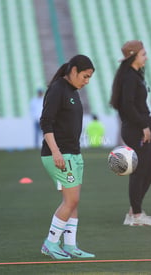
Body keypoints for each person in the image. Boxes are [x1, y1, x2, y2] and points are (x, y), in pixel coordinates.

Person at [40, 54, 96, 260]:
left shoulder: (72, 90)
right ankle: (50, 243)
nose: (87, 81)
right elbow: (46, 122)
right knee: (72, 200)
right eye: (85, 76)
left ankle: (70, 245)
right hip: (59, 154)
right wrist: (55, 151)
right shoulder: (57, 89)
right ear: (73, 71)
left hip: (73, 153)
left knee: (72, 202)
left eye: (89, 78)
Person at [110, 40, 151, 226]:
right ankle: (137, 215)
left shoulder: (134, 75)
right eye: (143, 54)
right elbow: (128, 106)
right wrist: (143, 126)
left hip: (138, 126)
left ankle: (134, 211)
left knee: (149, 171)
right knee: (140, 172)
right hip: (135, 128)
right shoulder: (130, 77)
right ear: (133, 56)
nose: (146, 57)